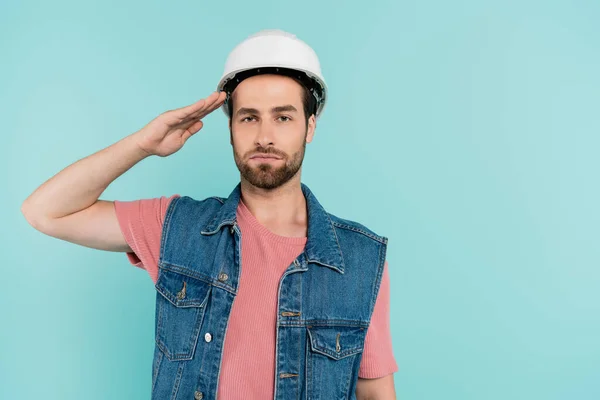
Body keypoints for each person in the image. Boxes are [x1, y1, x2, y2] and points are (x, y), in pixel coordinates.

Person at [21, 29, 398, 399]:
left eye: (283, 118)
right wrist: (142, 144)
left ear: (309, 126)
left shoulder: (360, 260)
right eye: (249, 117)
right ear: (231, 128)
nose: (264, 136)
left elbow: (376, 393)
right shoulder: (179, 228)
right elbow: (46, 212)